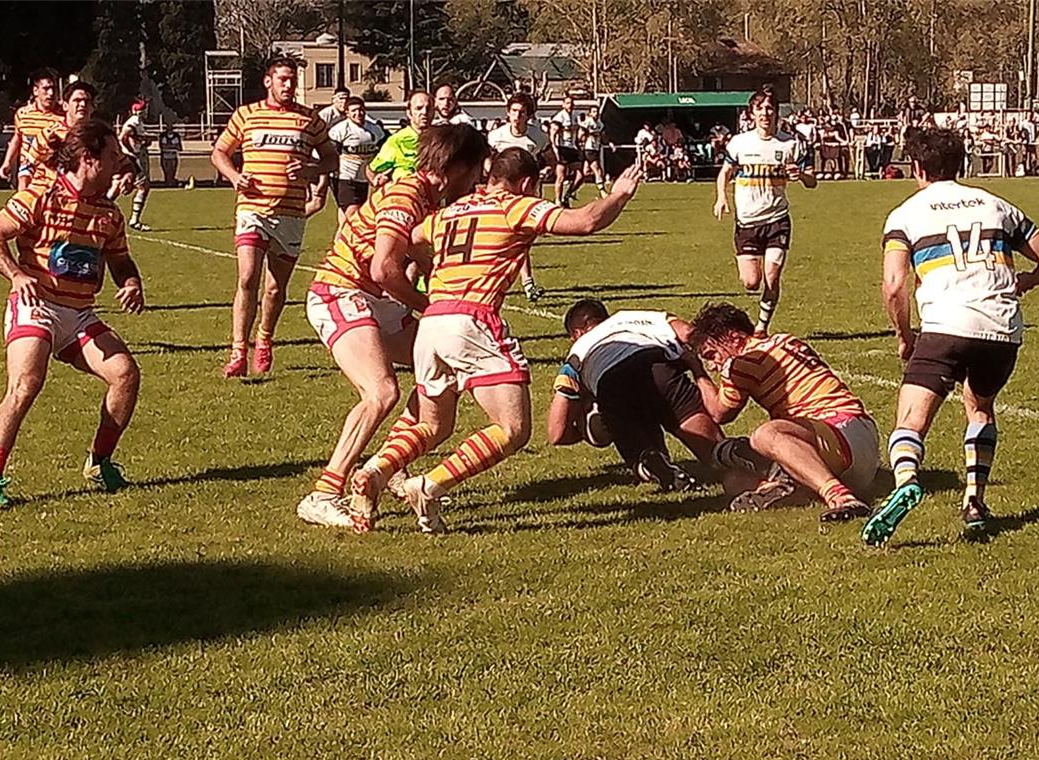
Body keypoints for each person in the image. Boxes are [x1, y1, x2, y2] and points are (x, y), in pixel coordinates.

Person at [348, 151, 645, 532]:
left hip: (433, 321)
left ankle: (374, 471)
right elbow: (585, 221)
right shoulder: (515, 207)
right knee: (512, 428)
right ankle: (429, 485)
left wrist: (429, 263)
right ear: (525, 183)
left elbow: (410, 237)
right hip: (473, 320)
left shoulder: (452, 211)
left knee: (433, 425)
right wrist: (619, 194)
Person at [861, 128, 1039, 546]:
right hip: (1002, 330)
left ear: (916, 167)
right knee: (980, 409)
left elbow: (895, 284)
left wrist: (904, 336)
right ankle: (975, 500)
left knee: (910, 422)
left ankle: (906, 481)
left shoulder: (906, 214)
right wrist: (1025, 281)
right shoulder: (996, 205)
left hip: (945, 327)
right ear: (963, 163)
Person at [298, 125, 489, 529]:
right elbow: (383, 268)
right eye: (475, 173)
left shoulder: (426, 197)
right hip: (341, 292)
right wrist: (431, 306)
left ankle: (389, 464)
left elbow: (420, 257)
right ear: (456, 167)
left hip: (376, 300)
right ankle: (323, 493)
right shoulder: (406, 195)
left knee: (441, 368)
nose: (476, 182)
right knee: (381, 391)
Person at [0, 119, 145, 507]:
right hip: (38, 306)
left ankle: (100, 462)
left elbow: (121, 260)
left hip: (79, 314)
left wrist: (131, 283)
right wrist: (15, 274)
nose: (119, 163)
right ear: (88, 158)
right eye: (112, 156)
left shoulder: (108, 213)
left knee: (125, 375)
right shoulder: (41, 196)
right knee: (26, 384)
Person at [687, 303, 876, 524]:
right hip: (859, 435)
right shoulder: (784, 340)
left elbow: (719, 413)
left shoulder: (740, 364)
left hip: (839, 431)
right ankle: (791, 489)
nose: (713, 365)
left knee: (763, 436)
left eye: (712, 355)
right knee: (735, 481)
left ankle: (840, 497)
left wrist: (696, 370)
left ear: (733, 337)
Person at [210, 55, 339, 378]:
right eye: (282, 79)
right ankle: (238, 349)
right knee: (247, 276)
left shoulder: (309, 120)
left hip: (291, 213)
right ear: (268, 81)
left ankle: (265, 337)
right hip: (252, 208)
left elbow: (331, 160)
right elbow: (219, 152)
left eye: (292, 80)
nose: (289, 85)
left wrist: (311, 169)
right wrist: (234, 176)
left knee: (274, 288)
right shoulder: (247, 115)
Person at [548, 299, 745, 492]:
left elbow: (557, 433)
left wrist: (591, 432)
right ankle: (749, 465)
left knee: (639, 452)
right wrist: (703, 365)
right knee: (715, 451)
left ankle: (651, 463)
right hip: (659, 370)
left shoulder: (576, 353)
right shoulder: (631, 317)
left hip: (612, 385)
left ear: (576, 333)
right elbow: (688, 332)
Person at [714, 86, 815, 337]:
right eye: (760, 108)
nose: (765, 113)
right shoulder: (740, 142)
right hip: (747, 222)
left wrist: (800, 175)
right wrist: (721, 197)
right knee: (751, 282)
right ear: (752, 113)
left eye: (770, 108)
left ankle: (761, 327)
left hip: (777, 220)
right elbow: (725, 173)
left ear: (777, 113)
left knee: (772, 276)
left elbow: (813, 180)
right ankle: (757, 314)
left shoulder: (791, 144)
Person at [486, 93, 558, 302]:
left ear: (528, 115)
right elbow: (487, 162)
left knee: (521, 239)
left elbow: (549, 159)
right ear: (508, 113)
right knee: (501, 238)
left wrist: (546, 170)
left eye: (522, 112)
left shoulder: (538, 137)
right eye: (514, 111)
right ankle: (520, 283)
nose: (517, 116)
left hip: (524, 195)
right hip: (500, 196)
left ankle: (527, 284)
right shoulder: (496, 136)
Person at [18, 80, 96, 190]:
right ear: (65, 106)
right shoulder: (50, 133)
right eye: (77, 101)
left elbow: (120, 164)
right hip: (50, 196)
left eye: (87, 101)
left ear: (93, 107)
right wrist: (23, 190)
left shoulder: (100, 137)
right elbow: (28, 164)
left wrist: (127, 175)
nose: (82, 105)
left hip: (84, 198)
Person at [328, 96, 387, 225]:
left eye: (360, 110)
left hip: (363, 179)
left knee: (346, 222)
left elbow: (385, 151)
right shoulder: (339, 130)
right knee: (354, 216)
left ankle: (339, 244)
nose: (358, 113)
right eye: (353, 110)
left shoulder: (375, 130)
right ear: (347, 113)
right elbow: (330, 154)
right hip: (343, 179)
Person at [5, 69, 64, 190]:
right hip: (28, 170)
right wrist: (8, 162)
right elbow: (17, 138)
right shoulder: (23, 114)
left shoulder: (64, 114)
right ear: (35, 91)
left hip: (52, 172)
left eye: (53, 88)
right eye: (46, 89)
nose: (51, 93)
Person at [369, 91, 431, 186]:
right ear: (409, 113)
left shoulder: (441, 140)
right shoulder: (396, 140)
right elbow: (372, 170)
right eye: (418, 108)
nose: (424, 112)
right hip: (404, 195)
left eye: (429, 108)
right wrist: (382, 182)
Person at [117, 98, 153, 231]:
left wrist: (144, 141)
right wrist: (131, 152)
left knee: (128, 186)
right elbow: (123, 137)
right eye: (142, 109)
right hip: (133, 157)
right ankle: (134, 220)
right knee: (143, 186)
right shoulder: (134, 121)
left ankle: (133, 219)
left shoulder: (138, 122)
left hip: (134, 155)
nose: (144, 112)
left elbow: (134, 137)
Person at [549, 95, 585, 207]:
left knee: (580, 176)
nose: (571, 105)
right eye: (568, 103)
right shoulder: (559, 117)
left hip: (573, 148)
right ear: (563, 104)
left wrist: (579, 143)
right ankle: (558, 201)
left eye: (572, 103)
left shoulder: (575, 116)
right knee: (561, 176)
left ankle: (567, 195)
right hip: (562, 148)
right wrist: (555, 147)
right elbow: (552, 133)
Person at [580, 104, 607, 196]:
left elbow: (603, 136)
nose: (596, 114)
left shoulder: (599, 124)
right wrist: (581, 141)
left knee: (584, 172)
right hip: (589, 148)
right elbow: (581, 134)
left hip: (595, 148)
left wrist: (609, 142)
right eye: (594, 112)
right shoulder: (587, 123)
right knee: (597, 170)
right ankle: (602, 191)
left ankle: (570, 192)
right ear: (590, 113)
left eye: (597, 112)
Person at [158, 122, 183, 187]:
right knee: (166, 171)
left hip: (173, 157)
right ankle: (167, 182)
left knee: (172, 171)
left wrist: (170, 147)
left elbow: (179, 147)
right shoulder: (162, 136)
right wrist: (172, 146)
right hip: (165, 156)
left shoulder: (176, 136)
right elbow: (162, 146)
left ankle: (172, 182)